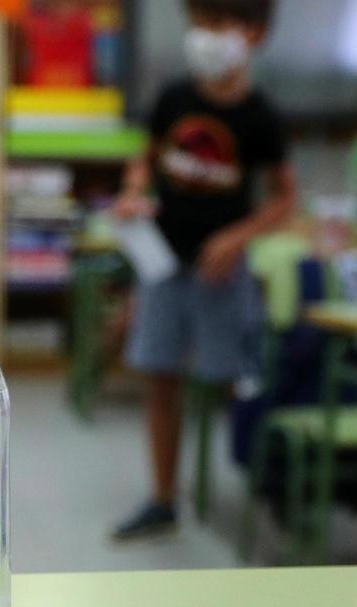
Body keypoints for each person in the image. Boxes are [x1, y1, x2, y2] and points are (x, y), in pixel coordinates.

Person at [110, 0, 297, 541]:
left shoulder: (261, 117)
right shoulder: (175, 98)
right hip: (163, 263)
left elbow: (286, 200)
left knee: (234, 380)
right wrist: (132, 192)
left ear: (255, 33)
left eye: (221, 24)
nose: (207, 36)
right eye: (200, 24)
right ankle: (163, 497)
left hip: (221, 271)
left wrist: (237, 237)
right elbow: (143, 158)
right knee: (159, 377)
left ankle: (258, 486)